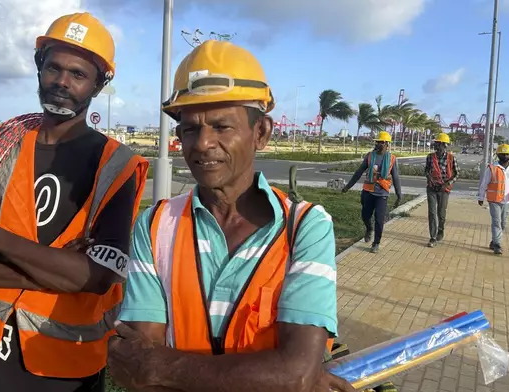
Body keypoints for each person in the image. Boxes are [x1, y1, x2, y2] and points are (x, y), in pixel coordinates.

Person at [106, 40, 355, 392]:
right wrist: (277, 376)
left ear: (261, 133)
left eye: (222, 126)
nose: (203, 143)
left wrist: (160, 366)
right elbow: (136, 374)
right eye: (191, 129)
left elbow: (294, 374)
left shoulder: (305, 228)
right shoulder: (155, 225)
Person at [0, 12, 148, 392]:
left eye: (78, 74)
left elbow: (95, 277)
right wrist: (48, 275)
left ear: (99, 84)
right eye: (53, 68)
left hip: (66, 371)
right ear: (39, 68)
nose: (62, 81)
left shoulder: (117, 166)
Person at [342, 131, 402, 253]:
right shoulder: (370, 156)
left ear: (387, 144)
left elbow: (395, 178)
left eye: (381, 142)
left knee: (379, 220)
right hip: (368, 192)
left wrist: (399, 195)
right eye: (377, 142)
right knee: (365, 216)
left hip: (382, 194)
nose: (378, 144)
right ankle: (369, 228)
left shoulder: (392, 159)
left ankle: (376, 243)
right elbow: (359, 172)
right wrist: (348, 186)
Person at [477, 144, 509, 255]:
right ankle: (497, 245)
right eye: (502, 154)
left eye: (507, 154)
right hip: (494, 200)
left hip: (507, 200)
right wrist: (481, 197)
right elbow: (484, 183)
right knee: (496, 222)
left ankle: (494, 241)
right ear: (498, 155)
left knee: (503, 223)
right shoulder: (492, 168)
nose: (505, 156)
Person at [424, 133, 459, 248]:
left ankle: (440, 229)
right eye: (436, 143)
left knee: (441, 213)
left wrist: (447, 183)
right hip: (432, 189)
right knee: (432, 213)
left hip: (444, 189)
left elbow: (456, 173)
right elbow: (426, 170)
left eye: (438, 144)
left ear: (444, 145)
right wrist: (430, 179)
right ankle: (433, 237)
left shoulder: (451, 158)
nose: (436, 146)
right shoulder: (430, 157)